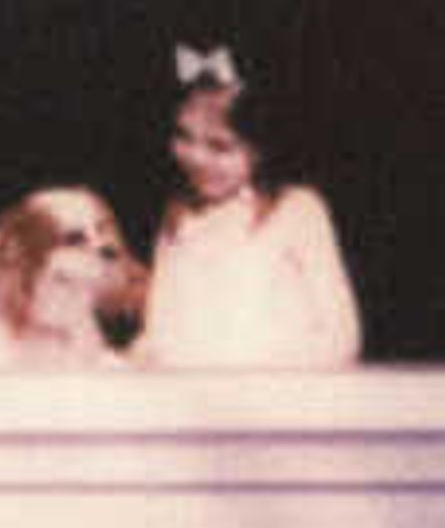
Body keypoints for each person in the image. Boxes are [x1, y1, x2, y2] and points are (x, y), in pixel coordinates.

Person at [131, 47, 362, 370]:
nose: (197, 157)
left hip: (279, 402)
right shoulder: (178, 213)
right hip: (191, 403)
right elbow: (162, 325)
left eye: (220, 146)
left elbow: (341, 337)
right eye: (185, 137)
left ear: (260, 150)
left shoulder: (297, 210)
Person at [0, 189, 143, 370]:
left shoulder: (79, 312)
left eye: (102, 230)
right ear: (26, 258)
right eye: (75, 240)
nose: (102, 246)